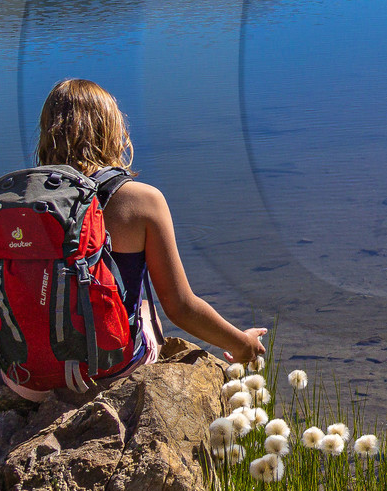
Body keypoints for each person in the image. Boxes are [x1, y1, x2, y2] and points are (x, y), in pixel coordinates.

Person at [32, 77, 266, 376]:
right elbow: (180, 306)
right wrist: (242, 344)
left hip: (26, 373)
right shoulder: (141, 200)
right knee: (143, 308)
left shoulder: (23, 200)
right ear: (111, 130)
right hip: (103, 369)